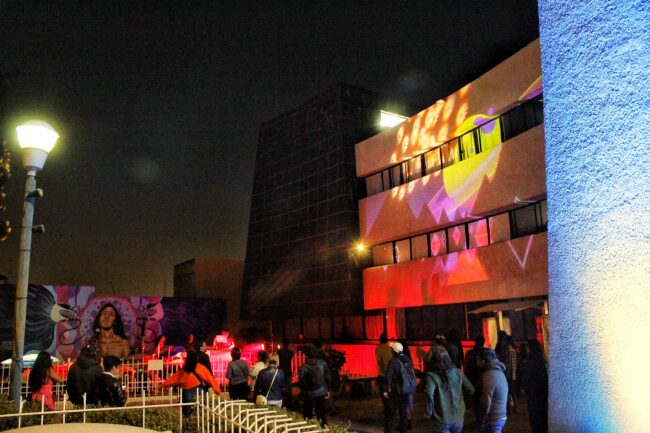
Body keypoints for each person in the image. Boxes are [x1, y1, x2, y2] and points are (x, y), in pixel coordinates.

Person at [424, 346, 474, 433]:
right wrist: (465, 404)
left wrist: (428, 413)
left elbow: (429, 395)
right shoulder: (457, 372)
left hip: (441, 419)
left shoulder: (431, 376)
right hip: (458, 418)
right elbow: (471, 389)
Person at [164, 350, 221, 415]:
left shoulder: (184, 370)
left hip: (186, 392)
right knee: (199, 411)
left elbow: (174, 378)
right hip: (198, 390)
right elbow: (209, 378)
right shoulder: (200, 367)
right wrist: (217, 391)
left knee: (187, 412)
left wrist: (164, 385)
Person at [384, 342, 416, 433]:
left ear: (394, 351)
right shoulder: (407, 359)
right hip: (405, 391)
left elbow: (388, 376)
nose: (391, 351)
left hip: (396, 391)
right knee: (403, 414)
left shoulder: (393, 361)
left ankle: (389, 431)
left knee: (390, 414)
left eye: (392, 349)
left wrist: (386, 390)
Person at [477, 349, 508, 433]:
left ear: (483, 360)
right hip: (501, 414)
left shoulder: (488, 375)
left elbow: (486, 402)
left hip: (493, 417)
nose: (477, 362)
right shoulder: (499, 372)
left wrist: (482, 420)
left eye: (478, 359)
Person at [299, 346, 332, 426]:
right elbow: (328, 377)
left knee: (307, 414)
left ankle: (309, 428)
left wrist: (303, 391)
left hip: (308, 393)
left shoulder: (303, 367)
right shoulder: (322, 363)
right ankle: (323, 427)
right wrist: (327, 390)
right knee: (321, 412)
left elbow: (301, 382)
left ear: (307, 355)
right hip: (321, 391)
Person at [522, 339, 548, 433]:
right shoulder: (541, 360)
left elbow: (528, 377)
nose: (526, 349)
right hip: (541, 392)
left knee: (535, 417)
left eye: (527, 347)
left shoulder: (531, 361)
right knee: (541, 415)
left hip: (533, 393)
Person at [463, 335, 486, 422]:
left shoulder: (470, 353)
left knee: (474, 400)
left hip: (472, 379)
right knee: (482, 400)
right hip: (483, 379)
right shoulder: (486, 353)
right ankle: (482, 419)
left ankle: (477, 418)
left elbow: (466, 367)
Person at [376, 332, 393, 425]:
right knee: (391, 393)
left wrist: (384, 371)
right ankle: (391, 410)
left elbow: (380, 361)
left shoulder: (378, 348)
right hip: (391, 374)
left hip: (382, 375)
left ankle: (388, 412)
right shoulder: (390, 347)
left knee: (384, 395)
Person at [398, 339, 414, 430]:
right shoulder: (408, 358)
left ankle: (403, 424)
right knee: (408, 403)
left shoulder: (399, 358)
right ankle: (409, 421)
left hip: (403, 384)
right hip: (410, 384)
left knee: (402, 404)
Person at [501, 335, 518, 414]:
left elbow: (506, 364)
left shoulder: (506, 351)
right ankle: (516, 407)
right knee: (513, 392)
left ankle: (509, 408)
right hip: (513, 374)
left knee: (507, 392)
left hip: (507, 374)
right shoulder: (513, 350)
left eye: (504, 340)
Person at [278, 338, 294, 405]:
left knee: (280, 385)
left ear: (282, 344)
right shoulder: (291, 352)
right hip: (288, 369)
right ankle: (290, 400)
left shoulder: (279, 351)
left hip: (281, 370)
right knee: (289, 385)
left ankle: (281, 398)